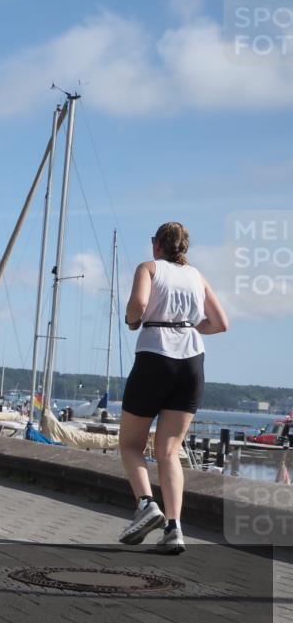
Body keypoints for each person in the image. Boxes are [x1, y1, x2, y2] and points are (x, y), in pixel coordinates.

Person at [118, 222, 228, 554]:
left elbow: (137, 305)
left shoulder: (149, 268)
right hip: (192, 363)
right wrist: (188, 325)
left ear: (158, 245)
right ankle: (174, 529)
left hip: (155, 356)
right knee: (169, 450)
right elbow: (220, 323)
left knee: (130, 444)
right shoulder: (197, 276)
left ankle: (146, 504)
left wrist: (133, 320)